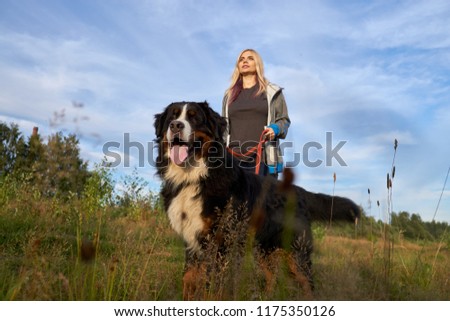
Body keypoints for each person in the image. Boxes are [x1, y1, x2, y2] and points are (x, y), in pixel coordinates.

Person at [222, 49, 290, 178]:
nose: (245, 61)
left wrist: (275, 129)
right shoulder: (229, 95)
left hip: (263, 158)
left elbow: (284, 120)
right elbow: (223, 126)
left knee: (262, 198)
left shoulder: (272, 92)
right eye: (241, 59)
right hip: (232, 159)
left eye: (250, 58)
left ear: (257, 63)